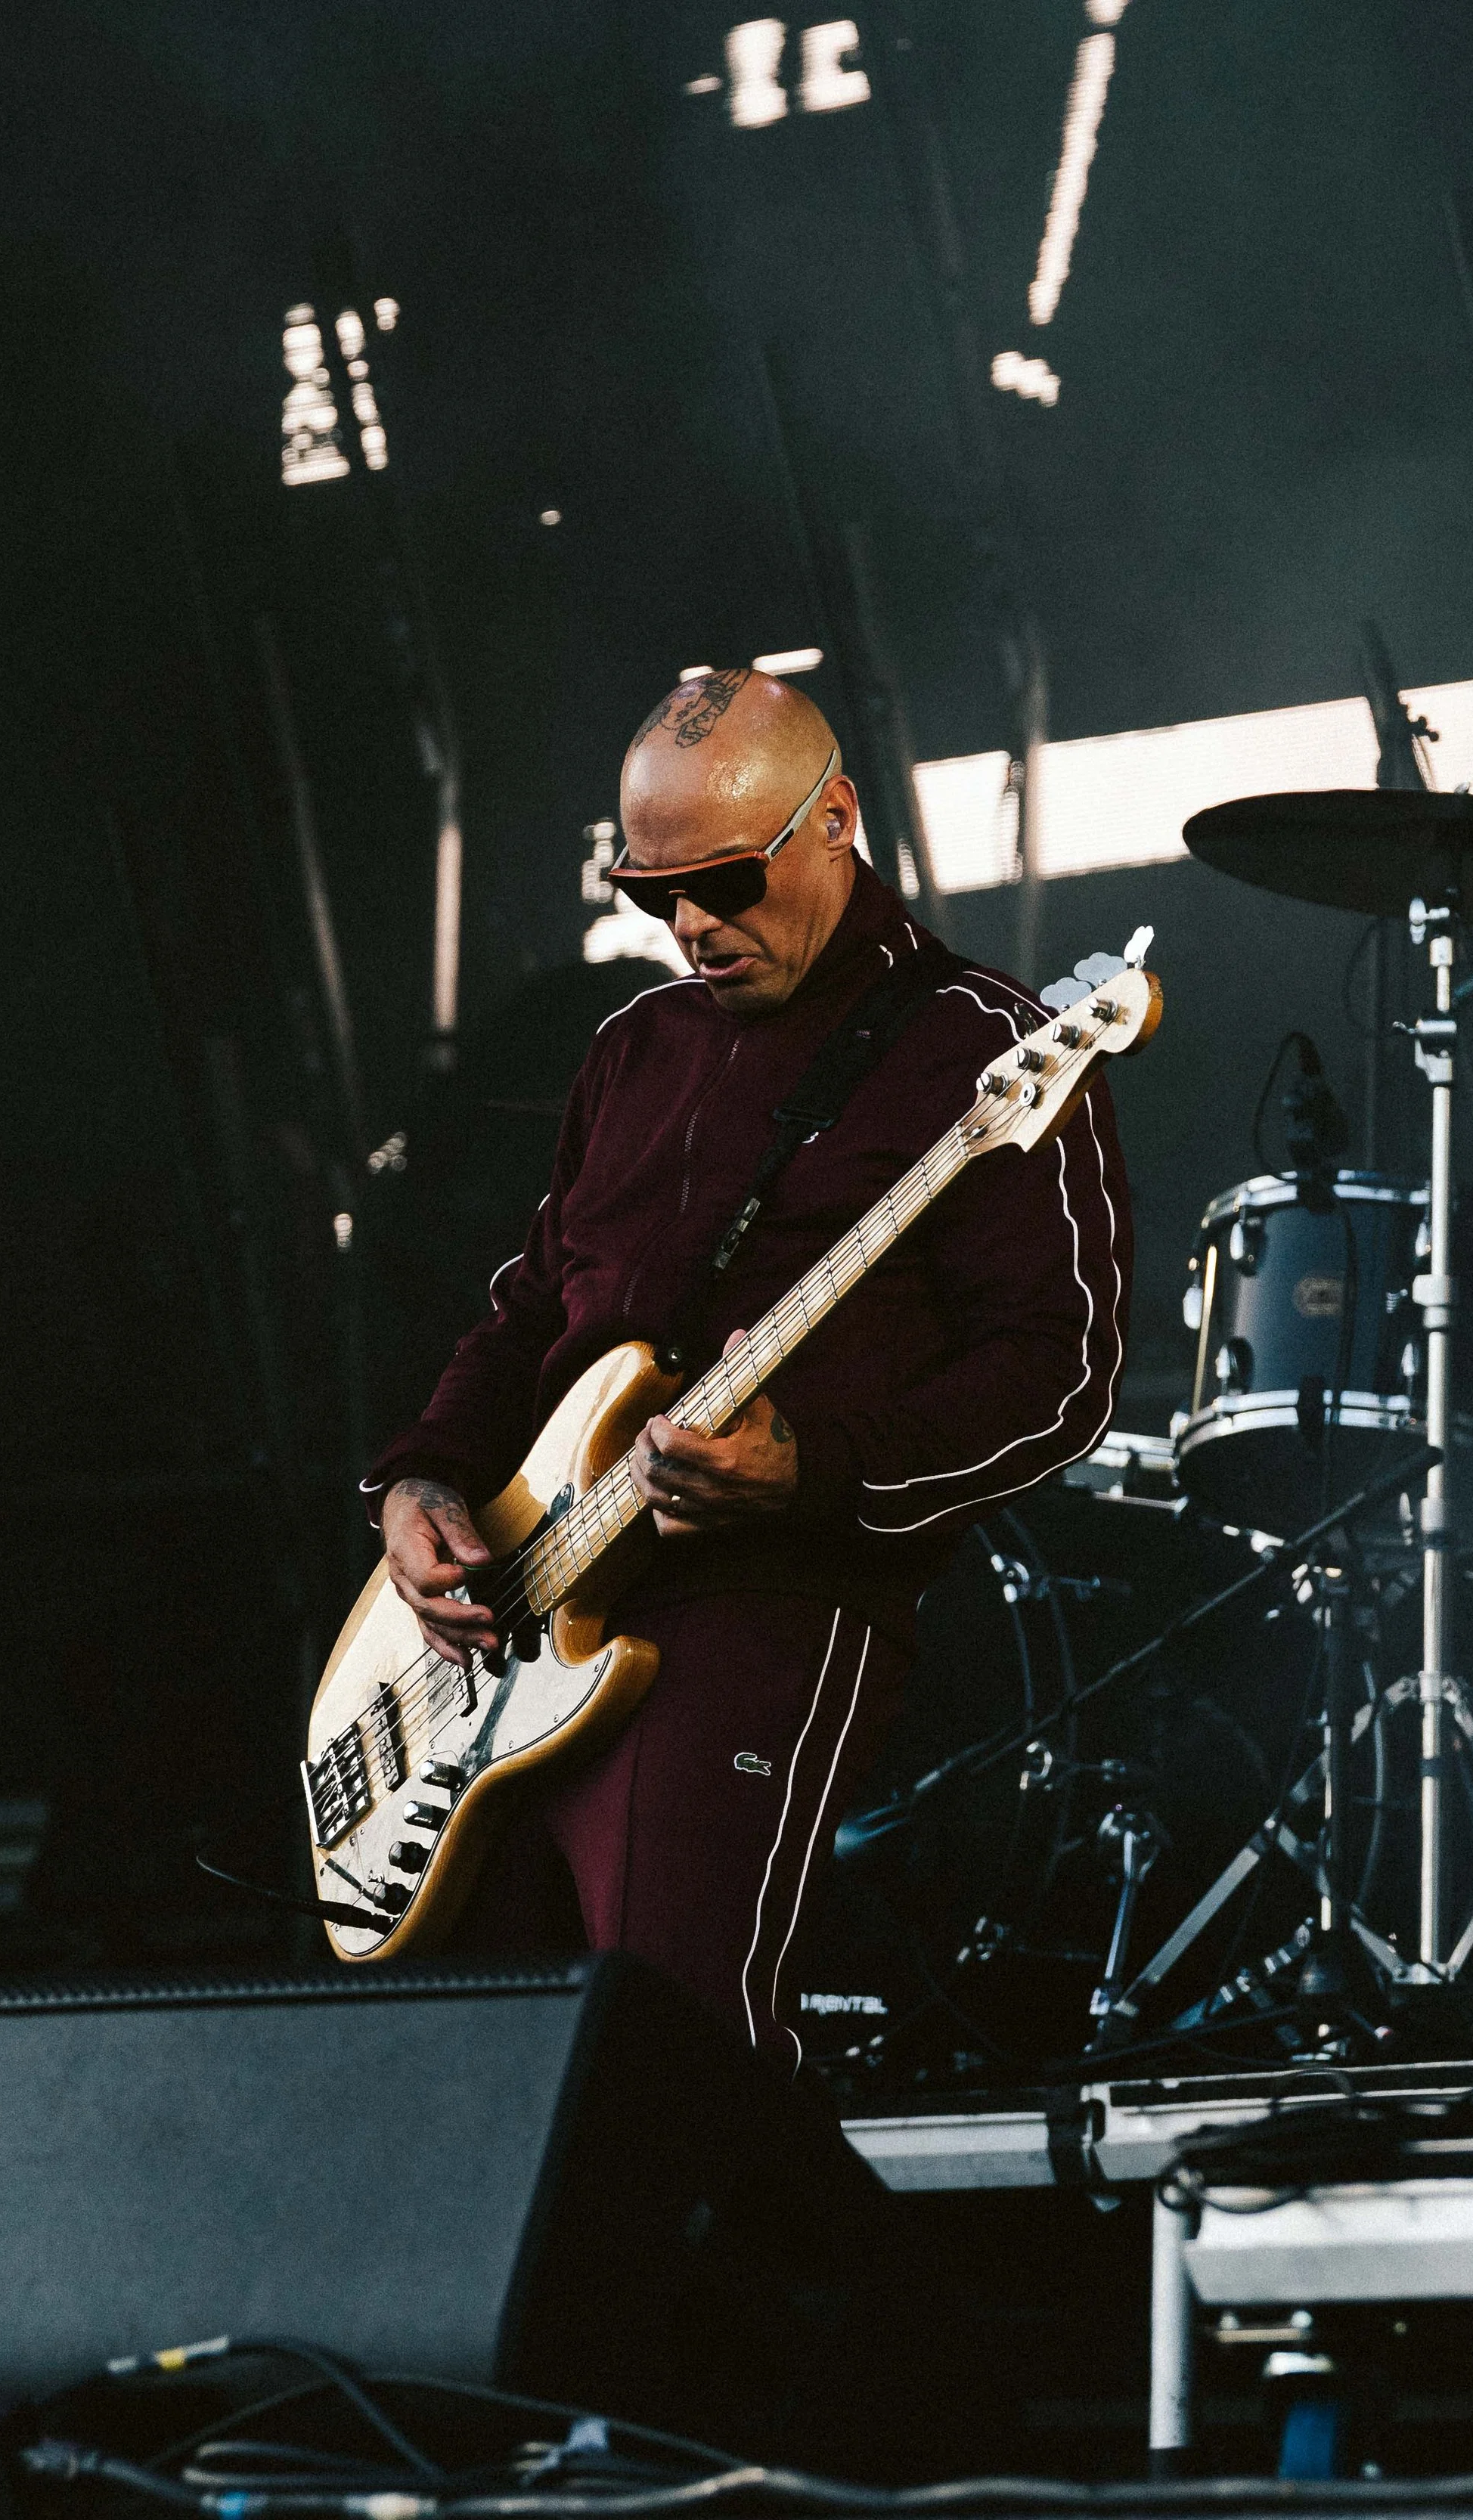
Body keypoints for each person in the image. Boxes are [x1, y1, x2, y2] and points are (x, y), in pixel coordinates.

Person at [363, 668, 1131, 2066]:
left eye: (725, 880)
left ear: (834, 818)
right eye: (656, 893)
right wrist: (422, 1475)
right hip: (516, 1617)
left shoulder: (986, 1051)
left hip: (763, 1597)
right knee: (458, 2071)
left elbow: (1060, 1376)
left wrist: (811, 1471)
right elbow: (537, 1303)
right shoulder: (632, 1049)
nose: (695, 926)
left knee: (668, 2052)